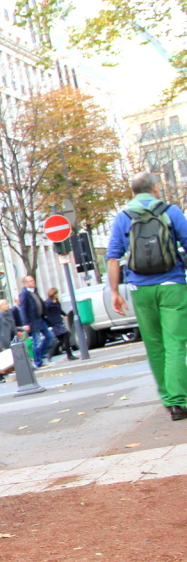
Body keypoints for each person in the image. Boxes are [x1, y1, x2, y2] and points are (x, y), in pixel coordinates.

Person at [107, 170, 187, 420]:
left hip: (138, 288)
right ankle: (179, 401)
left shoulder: (123, 217)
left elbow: (113, 256)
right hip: (171, 284)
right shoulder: (170, 211)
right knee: (175, 343)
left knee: (154, 345)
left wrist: (113, 292)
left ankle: (168, 398)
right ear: (154, 189)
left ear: (133, 192)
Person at [17, 275, 53, 368]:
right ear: (25, 283)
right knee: (37, 341)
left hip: (40, 319)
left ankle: (40, 355)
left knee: (50, 336)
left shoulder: (34, 291)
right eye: (30, 281)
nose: (33, 282)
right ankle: (38, 361)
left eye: (33, 280)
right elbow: (23, 309)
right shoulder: (24, 294)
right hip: (33, 321)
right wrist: (26, 323)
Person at [43, 287, 76, 361]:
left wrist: (65, 315)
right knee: (66, 335)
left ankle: (51, 354)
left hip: (59, 321)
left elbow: (59, 310)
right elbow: (45, 313)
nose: (58, 295)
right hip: (54, 323)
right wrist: (49, 321)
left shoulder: (56, 301)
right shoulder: (48, 303)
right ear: (53, 294)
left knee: (61, 340)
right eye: (56, 293)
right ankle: (69, 355)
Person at [0, 299, 17, 383]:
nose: (7, 306)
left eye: (7, 304)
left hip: (11, 338)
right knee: (2, 359)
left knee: (12, 356)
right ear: (0, 307)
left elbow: (12, 327)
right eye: (5, 304)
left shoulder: (9, 315)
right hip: (2, 340)